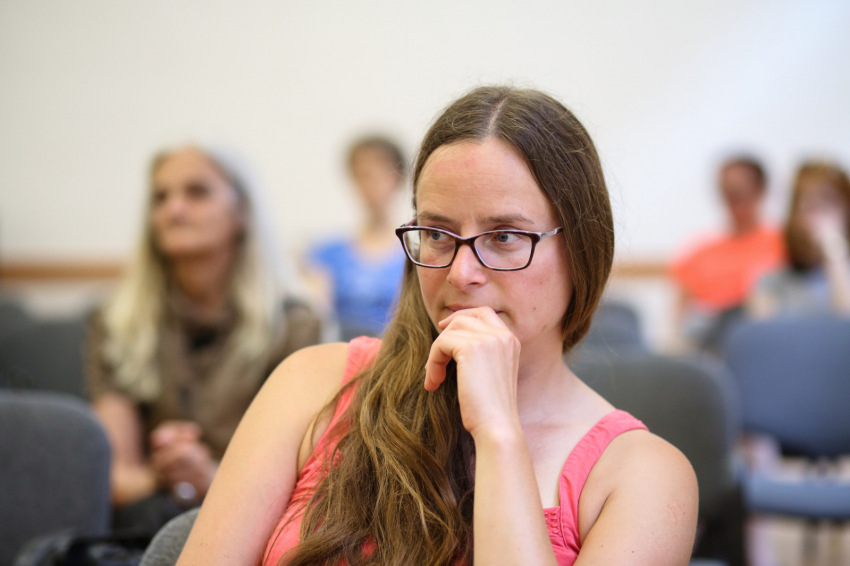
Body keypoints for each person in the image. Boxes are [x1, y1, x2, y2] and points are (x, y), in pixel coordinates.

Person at [179, 86, 698, 565]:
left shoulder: (644, 477)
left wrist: (498, 433)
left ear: (582, 249)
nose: (460, 273)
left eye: (504, 237)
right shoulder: (312, 383)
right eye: (437, 233)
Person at [87, 146, 321, 533]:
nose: (174, 209)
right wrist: (166, 473)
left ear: (241, 211)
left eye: (197, 192)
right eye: (160, 197)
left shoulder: (296, 325)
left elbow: (307, 483)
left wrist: (208, 476)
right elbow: (115, 478)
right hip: (146, 516)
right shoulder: (115, 322)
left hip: (259, 526)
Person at [670, 156, 784, 350]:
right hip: (708, 344)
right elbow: (678, 321)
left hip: (764, 340)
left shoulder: (783, 244)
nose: (733, 199)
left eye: (740, 191)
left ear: (760, 190)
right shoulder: (698, 252)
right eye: (727, 191)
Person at [305, 135, 407, 340]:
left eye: (380, 174)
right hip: (340, 351)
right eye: (363, 175)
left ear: (398, 179)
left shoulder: (415, 252)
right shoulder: (327, 253)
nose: (371, 186)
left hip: (397, 351)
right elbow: (317, 316)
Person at [749, 160, 850, 318]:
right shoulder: (772, 283)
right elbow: (765, 328)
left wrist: (835, 252)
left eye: (828, 200)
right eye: (809, 203)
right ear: (794, 215)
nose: (819, 213)